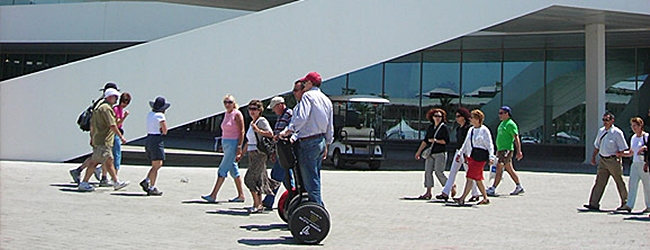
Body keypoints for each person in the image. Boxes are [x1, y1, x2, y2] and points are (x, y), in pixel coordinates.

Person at [280, 72, 333, 206]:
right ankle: (315, 208)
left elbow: (302, 117)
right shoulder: (326, 99)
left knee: (309, 179)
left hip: (308, 141)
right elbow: (329, 125)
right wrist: (327, 144)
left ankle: (316, 211)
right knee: (315, 176)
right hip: (320, 140)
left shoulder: (308, 96)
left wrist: (288, 131)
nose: (303, 86)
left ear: (310, 83)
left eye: (305, 83)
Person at [77, 88, 130, 191]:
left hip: (100, 139)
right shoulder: (106, 109)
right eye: (115, 97)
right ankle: (84, 182)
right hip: (104, 140)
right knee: (95, 162)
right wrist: (121, 136)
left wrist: (92, 137)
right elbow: (112, 125)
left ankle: (116, 182)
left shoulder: (99, 106)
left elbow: (93, 124)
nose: (116, 99)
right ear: (109, 97)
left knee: (108, 160)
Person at [69, 82, 119, 183]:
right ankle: (102, 178)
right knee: (100, 158)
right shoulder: (104, 105)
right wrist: (92, 137)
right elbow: (94, 122)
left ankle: (101, 177)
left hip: (99, 135)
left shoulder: (100, 102)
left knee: (100, 158)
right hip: (101, 136)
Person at [202, 95, 246, 203]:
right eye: (225, 102)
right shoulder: (226, 114)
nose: (227, 104)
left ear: (234, 103)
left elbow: (242, 131)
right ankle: (241, 195)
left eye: (230, 102)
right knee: (233, 169)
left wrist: (239, 146)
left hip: (233, 143)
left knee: (222, 169)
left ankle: (213, 195)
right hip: (226, 142)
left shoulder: (237, 114)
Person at [583, 112, 629, 211]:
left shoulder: (617, 132)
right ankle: (593, 203)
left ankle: (625, 202)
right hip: (603, 160)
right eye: (604, 120)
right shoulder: (601, 131)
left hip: (613, 160)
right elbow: (597, 146)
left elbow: (623, 147)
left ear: (612, 121)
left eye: (607, 120)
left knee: (619, 181)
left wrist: (619, 155)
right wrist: (593, 157)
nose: (605, 122)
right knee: (599, 182)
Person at [243, 100, 280, 213]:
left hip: (259, 153)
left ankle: (257, 203)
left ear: (260, 110)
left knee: (249, 179)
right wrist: (242, 152)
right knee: (258, 178)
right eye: (250, 109)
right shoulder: (252, 122)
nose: (251, 111)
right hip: (252, 152)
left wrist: (258, 130)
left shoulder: (261, 121)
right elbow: (249, 141)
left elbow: (270, 133)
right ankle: (259, 204)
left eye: (254, 109)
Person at [436, 107, 479, 201]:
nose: (457, 118)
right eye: (456, 116)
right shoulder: (458, 129)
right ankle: (445, 192)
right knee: (453, 171)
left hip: (467, 153)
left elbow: (468, 142)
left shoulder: (469, 128)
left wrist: (467, 154)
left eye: (458, 116)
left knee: (470, 174)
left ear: (464, 117)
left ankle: (475, 193)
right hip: (459, 151)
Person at [454, 109, 494, 205]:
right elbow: (466, 142)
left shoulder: (485, 130)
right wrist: (460, 153)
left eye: (472, 117)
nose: (470, 119)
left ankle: (462, 198)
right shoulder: (471, 130)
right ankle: (485, 197)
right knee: (477, 178)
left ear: (477, 119)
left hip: (480, 157)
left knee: (470, 177)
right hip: (472, 156)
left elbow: (490, 144)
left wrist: (491, 156)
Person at [261, 96, 293, 210]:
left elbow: (289, 130)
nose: (274, 111)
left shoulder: (289, 114)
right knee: (286, 177)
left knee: (275, 176)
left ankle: (268, 201)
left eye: (274, 108)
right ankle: (293, 196)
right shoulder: (281, 116)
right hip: (281, 150)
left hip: (285, 149)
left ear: (280, 105)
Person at [487, 106, 525, 196]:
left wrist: (519, 151)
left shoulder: (510, 124)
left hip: (506, 150)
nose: (499, 115)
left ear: (507, 113)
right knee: (509, 169)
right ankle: (519, 186)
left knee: (499, 168)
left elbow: (516, 137)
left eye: (501, 113)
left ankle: (493, 188)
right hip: (500, 150)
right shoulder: (502, 123)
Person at [96, 92, 131, 187]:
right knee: (115, 156)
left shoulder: (118, 109)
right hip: (114, 134)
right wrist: (124, 117)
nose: (125, 104)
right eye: (124, 102)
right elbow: (115, 124)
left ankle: (110, 177)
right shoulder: (116, 109)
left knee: (110, 157)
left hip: (115, 134)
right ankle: (113, 178)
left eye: (127, 102)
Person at [414, 108, 450, 200]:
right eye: (436, 116)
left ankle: (449, 186)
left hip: (440, 153)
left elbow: (446, 141)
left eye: (440, 116)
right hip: (430, 153)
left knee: (439, 172)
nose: (438, 118)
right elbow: (425, 141)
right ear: (432, 117)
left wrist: (436, 141)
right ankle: (428, 192)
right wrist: (419, 152)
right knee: (428, 172)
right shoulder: (430, 127)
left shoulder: (443, 127)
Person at [138, 96, 170, 196]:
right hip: (156, 139)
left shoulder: (150, 114)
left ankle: (148, 181)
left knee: (155, 164)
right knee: (157, 164)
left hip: (149, 138)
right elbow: (165, 130)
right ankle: (151, 186)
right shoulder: (160, 116)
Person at [619, 117, 650, 213]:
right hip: (635, 163)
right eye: (632, 126)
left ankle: (649, 205)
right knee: (632, 184)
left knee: (647, 185)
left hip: (644, 163)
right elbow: (632, 152)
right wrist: (622, 153)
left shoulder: (646, 136)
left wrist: (645, 148)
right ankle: (629, 205)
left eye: (635, 126)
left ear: (641, 126)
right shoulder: (633, 138)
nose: (633, 128)